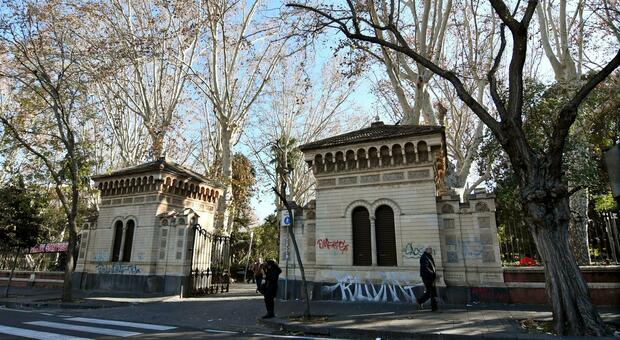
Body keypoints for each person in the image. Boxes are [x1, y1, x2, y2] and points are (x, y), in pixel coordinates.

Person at [417, 246, 438, 311]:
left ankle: (420, 301)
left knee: (430, 292)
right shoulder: (424, 257)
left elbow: (432, 266)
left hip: (431, 277)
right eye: (430, 249)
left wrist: (434, 274)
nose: (431, 251)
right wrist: (431, 272)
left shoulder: (429, 256)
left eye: (431, 249)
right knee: (432, 292)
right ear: (426, 250)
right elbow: (425, 267)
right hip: (427, 277)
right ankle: (434, 307)